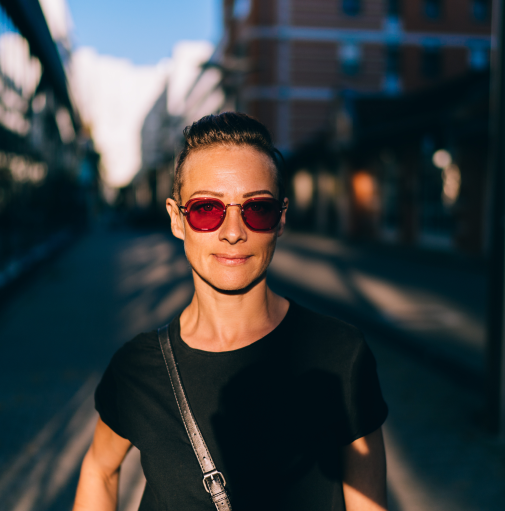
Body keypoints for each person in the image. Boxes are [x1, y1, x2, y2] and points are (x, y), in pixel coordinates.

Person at [73, 112, 388, 511]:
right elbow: (99, 468)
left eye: (257, 209)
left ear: (281, 220)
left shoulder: (341, 356)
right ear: (176, 219)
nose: (234, 231)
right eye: (207, 209)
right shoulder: (136, 368)